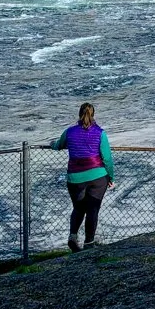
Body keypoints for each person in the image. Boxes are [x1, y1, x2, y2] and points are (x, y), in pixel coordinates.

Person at [51, 102, 115, 252]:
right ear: (93, 115)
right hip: (98, 177)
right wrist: (111, 177)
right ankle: (89, 243)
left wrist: (52, 144)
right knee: (92, 209)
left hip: (75, 178)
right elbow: (107, 159)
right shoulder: (100, 133)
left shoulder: (70, 131)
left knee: (78, 208)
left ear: (79, 114)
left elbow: (59, 144)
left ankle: (72, 236)